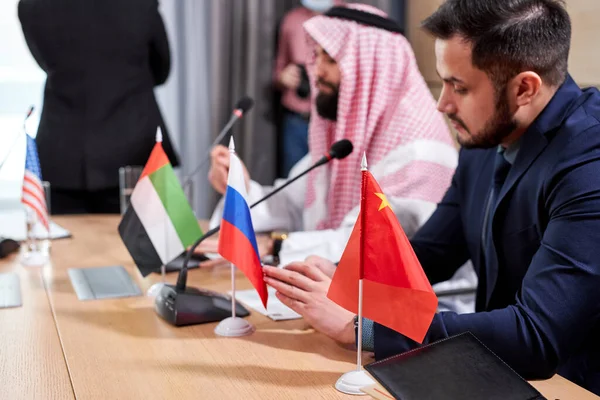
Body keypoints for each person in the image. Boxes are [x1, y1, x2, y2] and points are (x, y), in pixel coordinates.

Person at [263, 0, 600, 394]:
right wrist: (342, 281)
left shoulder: (588, 162)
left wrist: (363, 328)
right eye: (443, 82)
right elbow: (432, 251)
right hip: (493, 374)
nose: (442, 104)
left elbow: (535, 336)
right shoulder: (485, 135)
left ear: (524, 88)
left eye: (459, 87)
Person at [18, 0, 179, 214]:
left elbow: (45, 63)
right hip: (134, 149)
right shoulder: (140, 3)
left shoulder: (32, 5)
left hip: (61, 157)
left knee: (65, 246)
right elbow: (161, 69)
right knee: (148, 245)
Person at [273, 0, 338, 177]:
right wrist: (282, 77)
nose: (316, 69)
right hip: (297, 119)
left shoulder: (346, 21)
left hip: (332, 121)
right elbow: (279, 68)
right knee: (293, 179)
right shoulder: (292, 21)